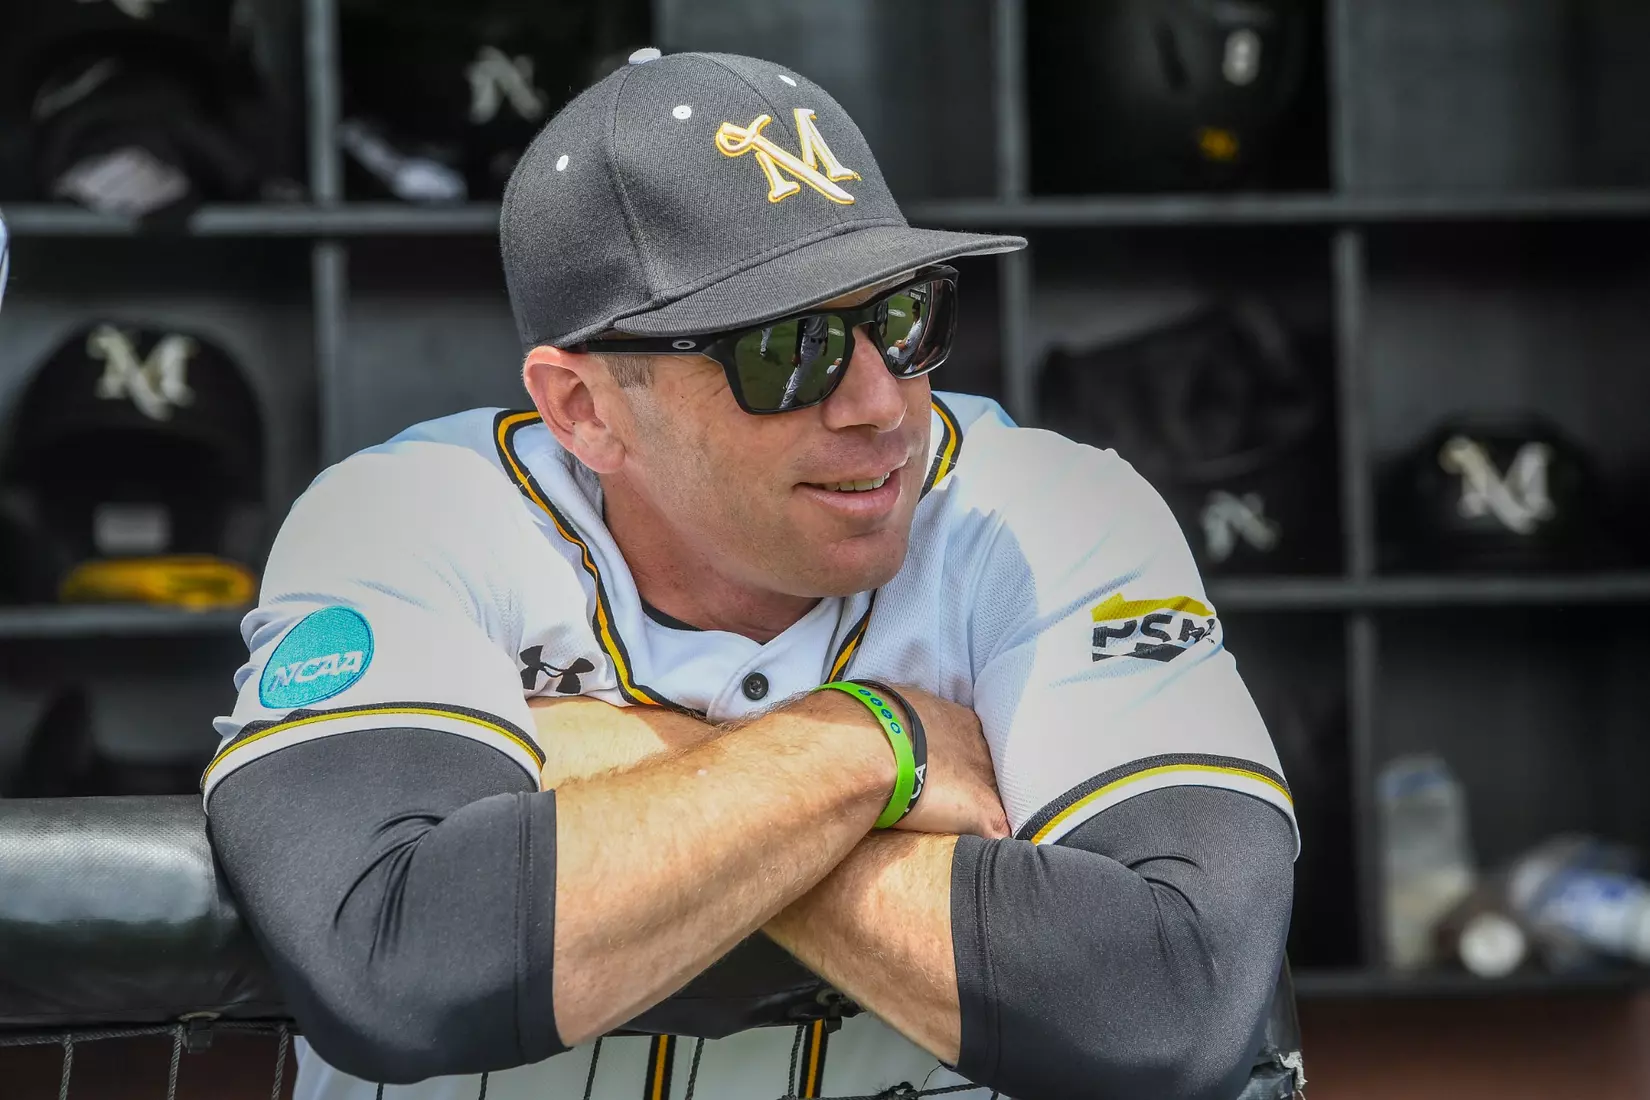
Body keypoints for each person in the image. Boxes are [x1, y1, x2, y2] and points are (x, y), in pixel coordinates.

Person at [204, 51, 1296, 1100]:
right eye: (790, 349)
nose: (878, 402)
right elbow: (392, 965)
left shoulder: (1048, 512)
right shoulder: (413, 517)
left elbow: (1175, 1005)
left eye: (902, 318)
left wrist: (635, 772)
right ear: (584, 409)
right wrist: (873, 743)